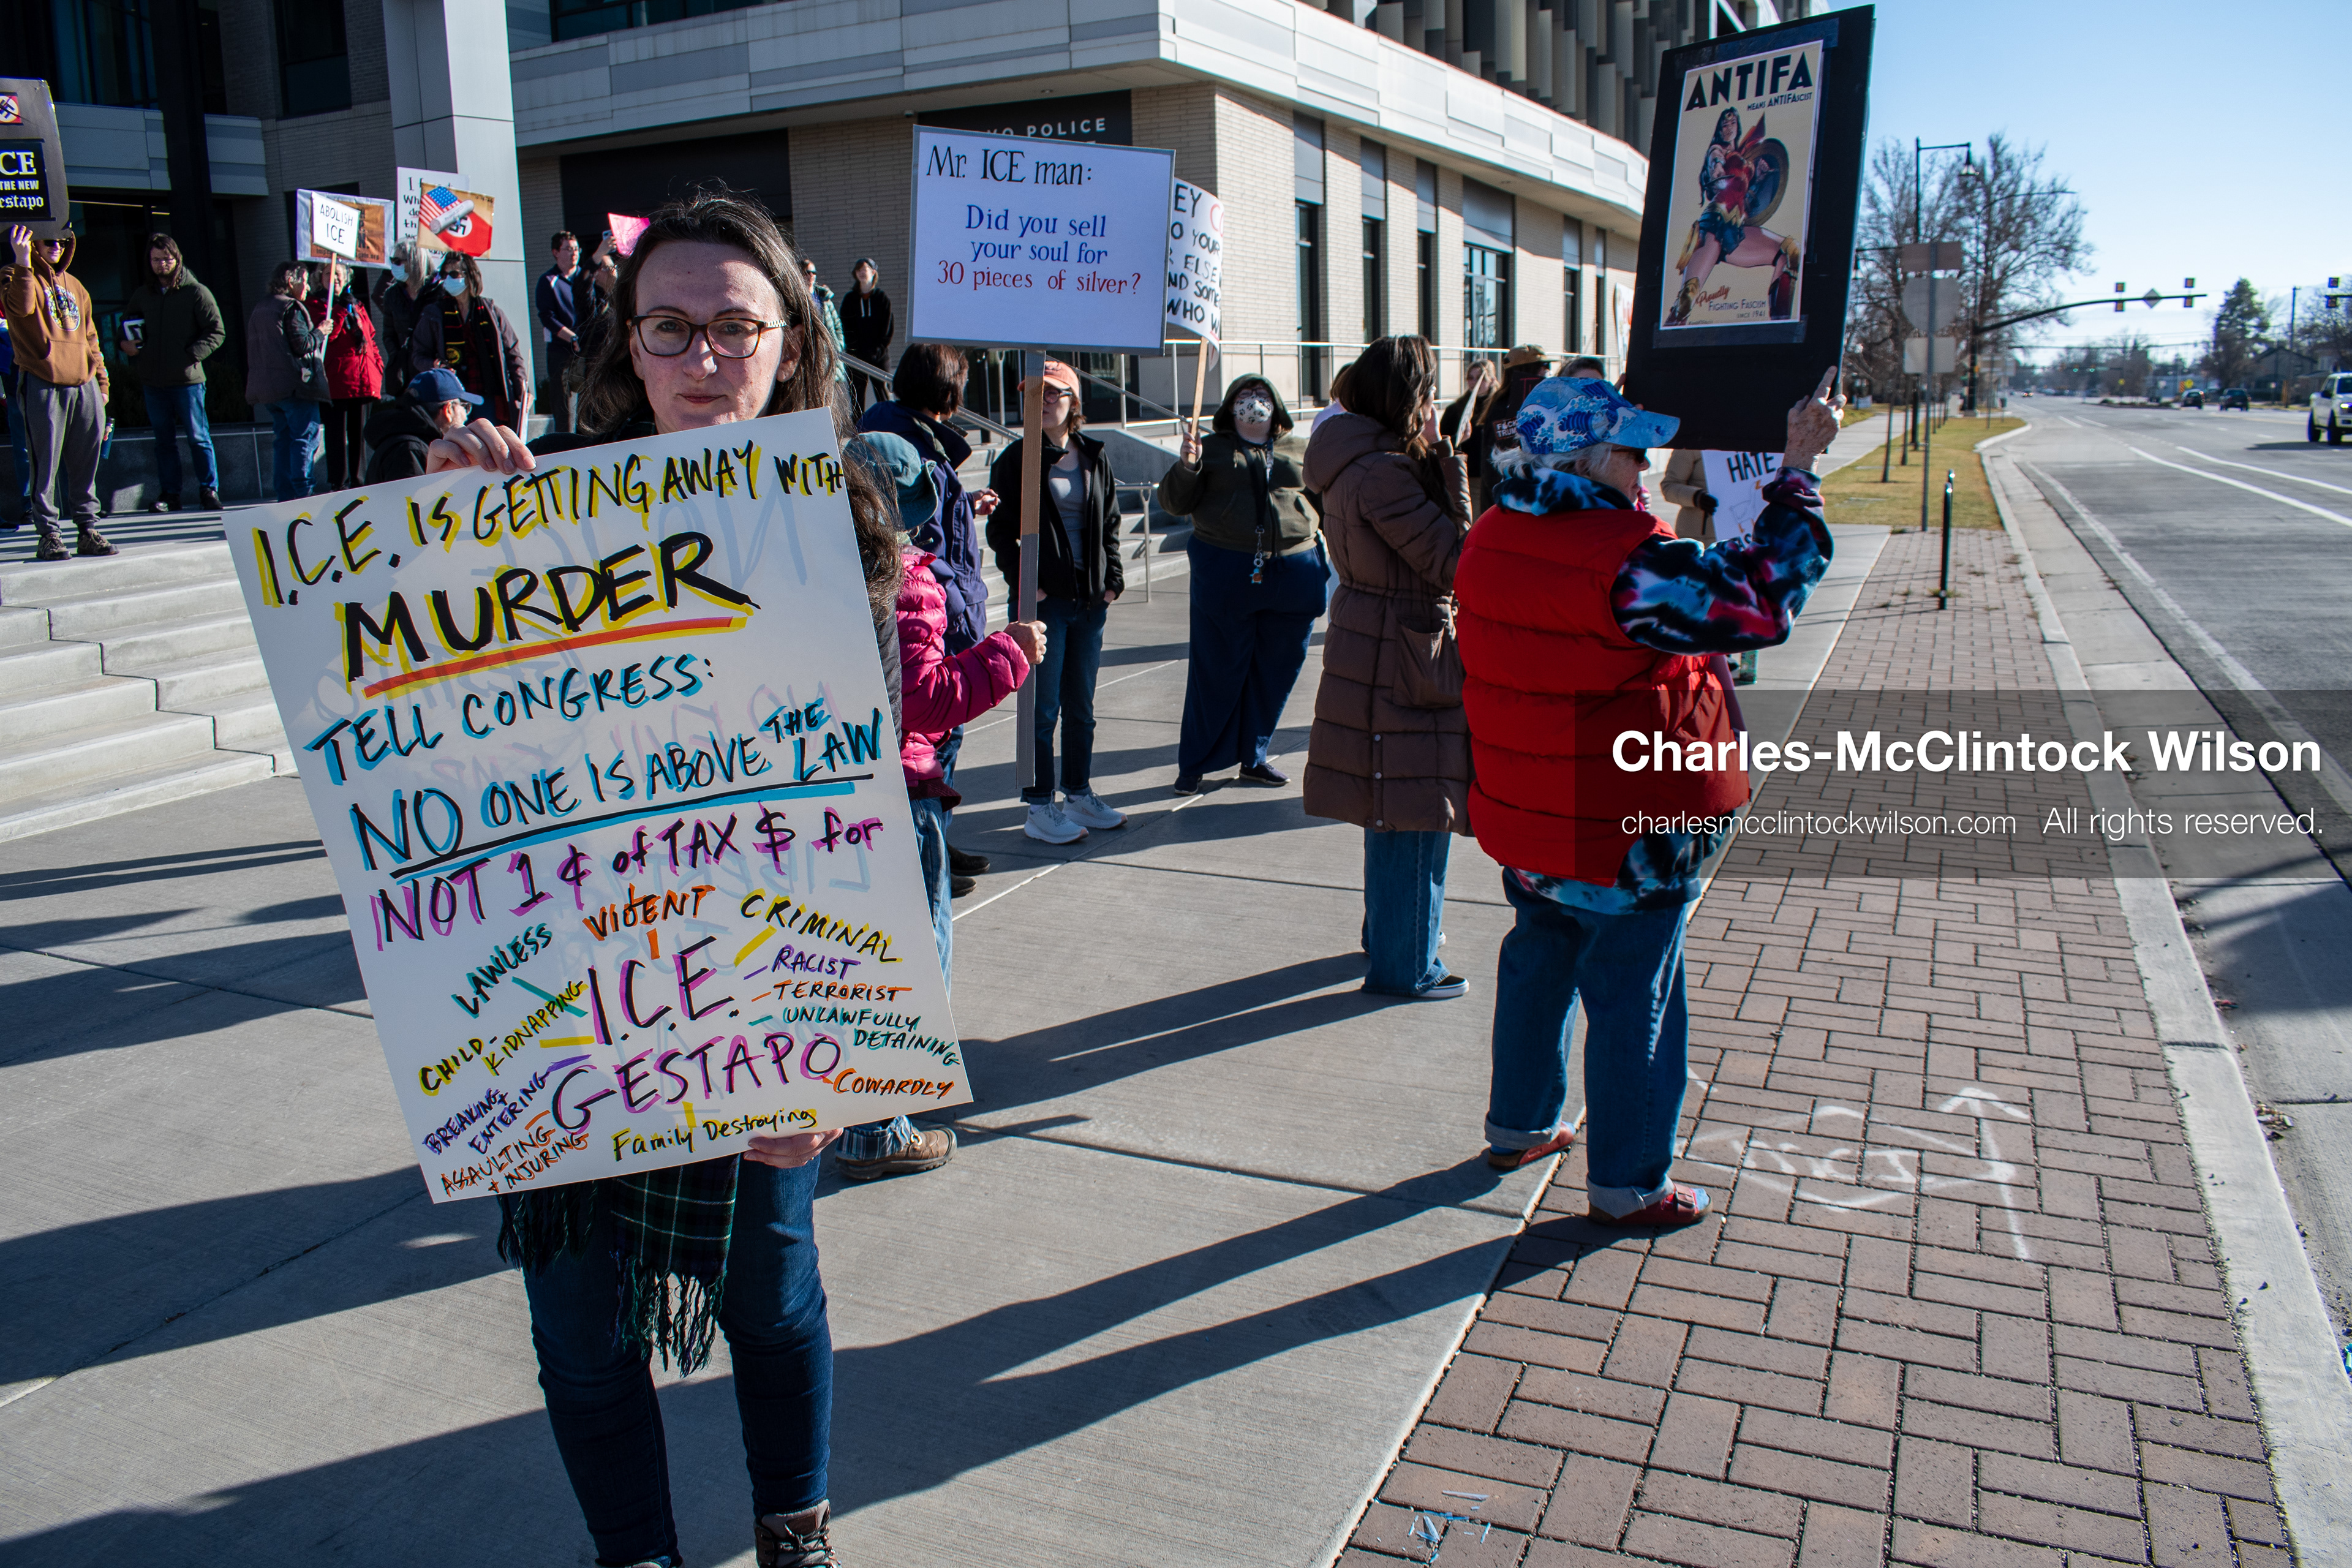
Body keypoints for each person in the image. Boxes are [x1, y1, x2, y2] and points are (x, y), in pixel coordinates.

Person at [423, 189, 904, 1568]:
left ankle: (792, 1528)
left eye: (734, 328)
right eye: (672, 327)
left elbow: (854, 803)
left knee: (772, 1291)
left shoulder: (840, 524)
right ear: (625, 346)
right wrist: (460, 528)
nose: (704, 357)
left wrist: (838, 1048)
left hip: (760, 980)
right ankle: (634, 1550)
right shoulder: (534, 514)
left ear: (791, 344)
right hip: (565, 996)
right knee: (578, 1326)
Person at [1453, 369, 1842, 1226]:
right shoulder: (1623, 560)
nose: (1646, 467)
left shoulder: (1492, 532)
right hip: (1623, 830)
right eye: (1634, 452)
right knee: (1638, 1003)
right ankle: (1629, 1184)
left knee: (1538, 967)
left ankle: (1519, 1126)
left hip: (1533, 814)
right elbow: (1764, 601)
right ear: (1593, 461)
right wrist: (1800, 473)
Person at [835, 429, 1042, 1180]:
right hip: (902, 793)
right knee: (912, 965)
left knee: (851, 964)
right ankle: (880, 1127)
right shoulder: (905, 580)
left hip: (834, 797)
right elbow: (926, 699)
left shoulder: (809, 573)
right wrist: (1009, 651)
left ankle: (854, 1114)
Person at [1300, 334, 1472, 999]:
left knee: (1393, 804)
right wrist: (1451, 465)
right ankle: (1407, 962)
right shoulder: (1385, 472)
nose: (1433, 406)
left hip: (1377, 637)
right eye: (1426, 391)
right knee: (1415, 809)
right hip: (1405, 647)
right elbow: (1458, 560)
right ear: (1408, 398)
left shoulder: (1352, 457)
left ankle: (1397, 937)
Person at [861, 342, 1001, 891]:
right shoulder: (911, 450)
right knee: (930, 744)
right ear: (949, 391)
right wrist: (959, 614)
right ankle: (929, 849)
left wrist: (967, 507)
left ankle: (939, 838)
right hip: (931, 625)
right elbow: (926, 543)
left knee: (933, 751)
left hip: (935, 617)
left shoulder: (891, 435)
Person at [1159, 374, 1326, 794]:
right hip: (1228, 572)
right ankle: (1195, 762)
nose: (1255, 403)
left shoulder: (1299, 448)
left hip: (1293, 572)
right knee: (1216, 671)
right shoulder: (1210, 449)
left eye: (1263, 395)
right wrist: (1187, 467)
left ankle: (1254, 756)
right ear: (1231, 408)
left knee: (1277, 671)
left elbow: (1326, 498)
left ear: (1278, 406)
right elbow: (1175, 502)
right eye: (1245, 397)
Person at [984, 358, 1128, 844]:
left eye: (1055, 393)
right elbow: (1001, 532)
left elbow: (1109, 522)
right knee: (1039, 710)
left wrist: (1113, 579)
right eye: (1035, 394)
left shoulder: (1093, 454)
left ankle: (1079, 792)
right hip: (1042, 605)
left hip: (1090, 602)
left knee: (1081, 706)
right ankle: (1038, 805)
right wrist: (1027, 581)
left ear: (1074, 403)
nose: (1045, 402)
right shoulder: (1016, 459)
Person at [4, 223, 118, 559]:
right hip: (43, 380)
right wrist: (23, 261)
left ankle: (88, 529)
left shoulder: (77, 286)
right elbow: (21, 310)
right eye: (49, 240)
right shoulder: (12, 274)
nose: (56, 246)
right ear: (33, 241)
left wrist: (102, 385)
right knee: (45, 463)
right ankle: (49, 535)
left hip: (84, 385)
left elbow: (92, 339)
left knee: (86, 463)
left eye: (62, 241)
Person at [119, 232, 224, 512]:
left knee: (198, 438)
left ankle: (209, 491)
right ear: (149, 262)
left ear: (177, 258)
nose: (162, 264)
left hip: (188, 381)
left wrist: (190, 356)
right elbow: (125, 328)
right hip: (153, 382)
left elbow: (217, 331)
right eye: (156, 260)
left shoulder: (196, 292)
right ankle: (170, 495)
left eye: (167, 259)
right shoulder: (143, 295)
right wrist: (125, 344)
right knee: (163, 441)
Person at [410, 249, 530, 431]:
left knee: (492, 443)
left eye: (454, 274)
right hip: (454, 397)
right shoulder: (434, 314)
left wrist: (522, 389)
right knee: (465, 449)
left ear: (469, 276)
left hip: (489, 394)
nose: (448, 279)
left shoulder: (491, 312)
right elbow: (418, 355)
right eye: (445, 274)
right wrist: (435, 365)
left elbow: (512, 352)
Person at [244, 260, 325, 503]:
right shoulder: (291, 307)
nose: (308, 289)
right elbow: (302, 345)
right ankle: (303, 493)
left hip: (269, 389)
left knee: (283, 440)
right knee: (304, 438)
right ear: (292, 281)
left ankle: (285, 495)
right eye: (305, 282)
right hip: (294, 387)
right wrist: (321, 332)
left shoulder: (261, 307)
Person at [1441, 344, 1551, 515]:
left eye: (1481, 378)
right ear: (1526, 371)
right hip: (1503, 494)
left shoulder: (1535, 402)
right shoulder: (1500, 407)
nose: (1547, 372)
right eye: (1471, 378)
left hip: (1532, 493)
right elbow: (1494, 462)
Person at [309, 259, 383, 489]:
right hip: (337, 381)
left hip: (363, 380)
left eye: (339, 274)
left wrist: (378, 367)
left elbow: (370, 337)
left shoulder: (357, 305)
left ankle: (358, 480)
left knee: (358, 435)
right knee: (336, 436)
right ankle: (338, 482)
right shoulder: (317, 304)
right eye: (329, 273)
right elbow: (327, 338)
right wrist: (340, 310)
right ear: (320, 278)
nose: (335, 278)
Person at [363, 366, 478, 483]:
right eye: (465, 407)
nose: (466, 416)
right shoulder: (410, 452)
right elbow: (413, 500)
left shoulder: (407, 442)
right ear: (448, 410)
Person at [535, 230, 587, 434]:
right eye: (568, 249)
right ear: (556, 252)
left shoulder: (587, 278)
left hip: (588, 349)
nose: (574, 253)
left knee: (589, 404)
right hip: (561, 352)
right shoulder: (548, 281)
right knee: (563, 408)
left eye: (576, 249)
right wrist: (572, 337)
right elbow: (547, 318)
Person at [839, 257, 893, 411]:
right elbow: (846, 326)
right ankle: (859, 428)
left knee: (882, 393)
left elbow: (888, 327)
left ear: (873, 272)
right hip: (856, 356)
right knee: (857, 395)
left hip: (878, 355)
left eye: (865, 269)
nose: (862, 273)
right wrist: (854, 350)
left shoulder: (882, 298)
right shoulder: (850, 299)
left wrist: (878, 350)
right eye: (859, 270)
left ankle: (888, 424)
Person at [374, 246, 429, 370]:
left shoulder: (436, 293)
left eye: (398, 261)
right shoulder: (393, 294)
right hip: (405, 368)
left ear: (414, 262)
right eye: (392, 261)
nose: (394, 265)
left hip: (431, 366)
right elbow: (389, 335)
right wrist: (397, 356)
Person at [800, 258, 846, 388]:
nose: (811, 276)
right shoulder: (797, 299)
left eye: (814, 272)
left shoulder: (823, 297)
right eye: (807, 272)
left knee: (834, 394)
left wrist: (839, 344)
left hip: (829, 354)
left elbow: (837, 323)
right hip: (810, 356)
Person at [0, 318, 28, 526]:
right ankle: (29, 504)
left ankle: (81, 503)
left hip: (37, 372)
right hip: (13, 378)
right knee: (23, 446)